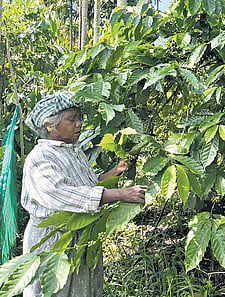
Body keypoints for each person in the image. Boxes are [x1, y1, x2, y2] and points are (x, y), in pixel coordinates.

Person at [22, 91, 147, 297]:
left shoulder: (73, 150)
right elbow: (61, 194)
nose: (79, 124)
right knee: (53, 291)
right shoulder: (40, 157)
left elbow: (87, 186)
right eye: (72, 119)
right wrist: (121, 194)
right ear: (49, 126)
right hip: (52, 239)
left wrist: (116, 171)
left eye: (80, 118)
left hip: (81, 235)